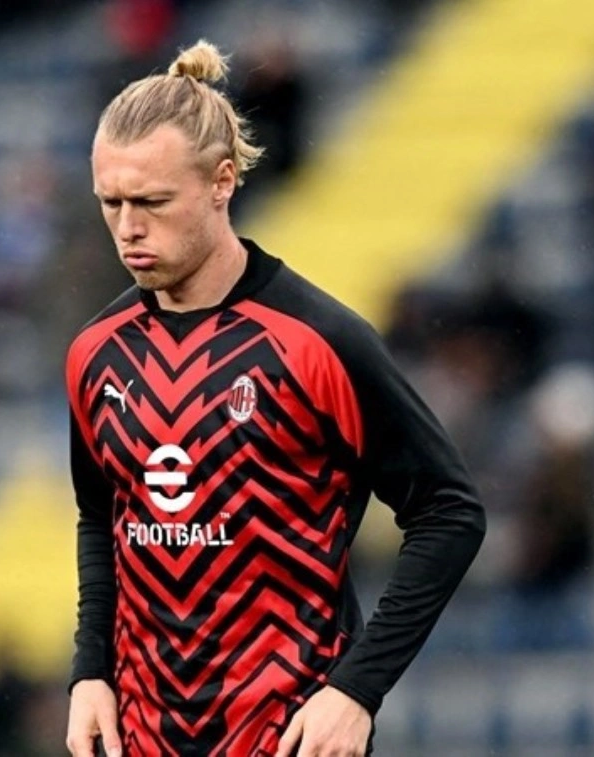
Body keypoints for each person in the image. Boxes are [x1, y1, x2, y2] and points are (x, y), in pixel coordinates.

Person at [63, 41, 486, 756]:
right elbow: (101, 516)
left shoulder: (320, 342)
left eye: (154, 202)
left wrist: (356, 690)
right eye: (112, 202)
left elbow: (449, 511)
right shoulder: (96, 353)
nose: (129, 227)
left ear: (222, 182)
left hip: (286, 738)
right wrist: (90, 671)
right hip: (144, 738)